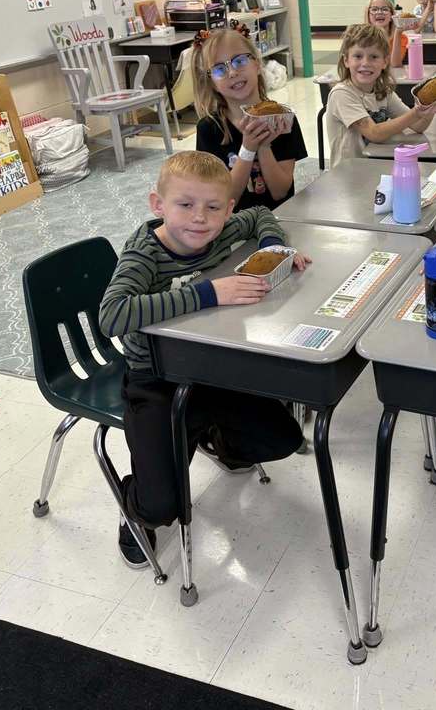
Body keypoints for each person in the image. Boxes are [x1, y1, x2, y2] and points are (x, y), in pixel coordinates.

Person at [99, 151, 307, 566]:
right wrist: (210, 293)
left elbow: (263, 213)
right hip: (154, 379)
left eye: (213, 207)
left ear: (228, 208)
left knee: (284, 439)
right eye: (185, 205)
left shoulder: (227, 224)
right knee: (162, 509)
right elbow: (113, 315)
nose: (200, 218)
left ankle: (214, 438)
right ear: (158, 205)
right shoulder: (145, 254)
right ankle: (133, 500)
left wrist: (275, 248)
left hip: (213, 369)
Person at [193, 26, 307, 212]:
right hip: (235, 229)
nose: (232, 73)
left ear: (257, 64)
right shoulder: (208, 129)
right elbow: (226, 199)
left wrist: (263, 146)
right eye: (220, 69)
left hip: (280, 221)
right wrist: (247, 148)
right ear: (212, 83)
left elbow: (280, 192)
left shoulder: (284, 121)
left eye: (239, 61)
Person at [325, 22, 436, 168]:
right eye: (358, 56)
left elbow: (417, 125)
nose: (365, 63)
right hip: (349, 174)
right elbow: (374, 133)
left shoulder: (383, 91)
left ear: (385, 62)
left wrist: (430, 107)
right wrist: (417, 112)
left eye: (374, 57)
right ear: (346, 60)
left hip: (377, 167)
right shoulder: (342, 94)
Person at [364, 0, 407, 68]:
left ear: (391, 16)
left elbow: (395, 65)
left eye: (384, 9)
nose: (379, 12)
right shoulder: (361, 38)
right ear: (368, 15)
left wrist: (397, 33)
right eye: (374, 9)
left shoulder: (401, 38)